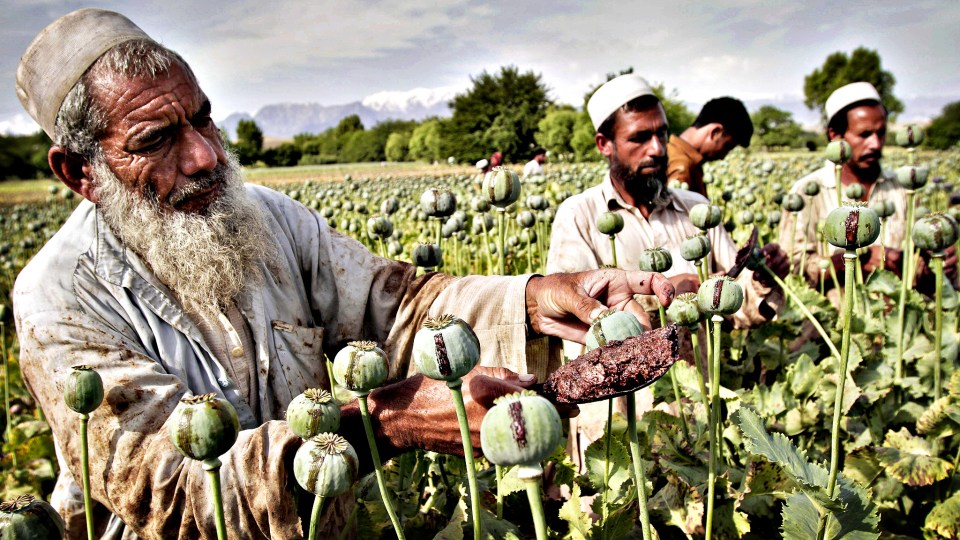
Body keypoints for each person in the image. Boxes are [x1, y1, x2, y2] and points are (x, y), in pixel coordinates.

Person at [12, 10, 676, 539]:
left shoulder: (264, 217)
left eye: (204, 117)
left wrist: (534, 297)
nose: (204, 155)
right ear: (79, 173)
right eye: (155, 139)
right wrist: (385, 425)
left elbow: (402, 307)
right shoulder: (61, 299)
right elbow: (176, 494)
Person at [545, 73, 786, 468]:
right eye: (639, 138)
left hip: (692, 411)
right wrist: (663, 292)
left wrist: (761, 277)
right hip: (617, 424)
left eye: (662, 134)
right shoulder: (578, 216)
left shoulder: (696, 210)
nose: (657, 149)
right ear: (605, 145)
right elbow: (572, 314)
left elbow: (735, 304)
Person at [779, 81, 956, 292]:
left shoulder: (903, 189)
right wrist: (856, 259)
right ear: (835, 135)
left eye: (880, 133)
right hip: (830, 321)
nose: (875, 144)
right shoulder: (806, 192)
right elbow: (793, 268)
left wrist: (936, 264)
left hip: (897, 318)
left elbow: (922, 267)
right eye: (864, 134)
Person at [667, 97, 754, 197]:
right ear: (715, 132)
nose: (723, 157)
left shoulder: (670, 152)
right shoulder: (681, 168)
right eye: (727, 147)